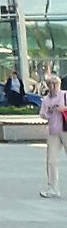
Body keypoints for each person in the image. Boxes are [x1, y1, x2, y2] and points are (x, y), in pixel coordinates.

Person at [38, 72, 67, 200]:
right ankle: (53, 188)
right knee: (51, 160)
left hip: (65, 129)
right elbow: (42, 114)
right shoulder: (46, 99)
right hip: (53, 131)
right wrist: (49, 111)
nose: (53, 87)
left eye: (55, 84)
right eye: (51, 84)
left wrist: (63, 108)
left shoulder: (65, 95)